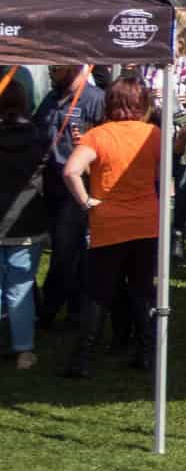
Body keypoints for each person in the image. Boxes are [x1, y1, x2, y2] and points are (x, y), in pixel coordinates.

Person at [60, 78, 162, 376]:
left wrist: (86, 201)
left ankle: (83, 359)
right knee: (142, 289)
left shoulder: (97, 136)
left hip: (108, 223)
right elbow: (163, 167)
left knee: (98, 292)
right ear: (142, 104)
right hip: (145, 223)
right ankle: (145, 353)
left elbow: (70, 171)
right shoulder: (152, 134)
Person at [32, 63, 104, 330]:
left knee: (65, 250)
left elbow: (105, 143)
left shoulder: (95, 100)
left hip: (77, 184)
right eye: (50, 69)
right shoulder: (52, 97)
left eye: (56, 69)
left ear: (74, 68)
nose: (51, 72)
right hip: (47, 181)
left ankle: (49, 312)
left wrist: (85, 144)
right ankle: (74, 307)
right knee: (64, 250)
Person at [1, 82, 47, 369]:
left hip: (18, 221)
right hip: (27, 223)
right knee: (21, 287)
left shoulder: (39, 137)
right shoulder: (40, 138)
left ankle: (21, 347)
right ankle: (24, 351)